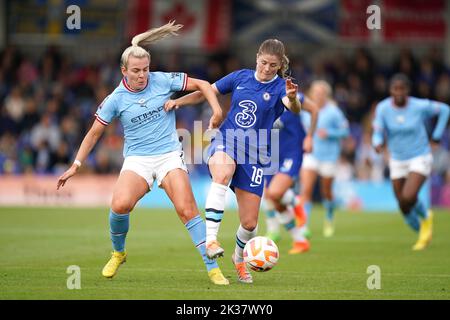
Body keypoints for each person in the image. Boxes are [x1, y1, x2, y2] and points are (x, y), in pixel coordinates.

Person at [56, 21, 230, 285]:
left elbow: (204, 84)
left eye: (146, 69)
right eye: (136, 71)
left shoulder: (162, 80)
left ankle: (213, 269)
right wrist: (76, 164)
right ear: (123, 70)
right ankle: (118, 253)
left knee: (187, 209)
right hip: (138, 160)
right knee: (119, 205)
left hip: (169, 155)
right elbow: (93, 133)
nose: (142, 75)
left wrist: (216, 110)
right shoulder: (115, 99)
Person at [165, 39, 302, 283]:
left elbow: (294, 108)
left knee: (250, 224)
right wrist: (178, 101)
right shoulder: (240, 77)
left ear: (280, 65)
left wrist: (293, 98)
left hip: (256, 153)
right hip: (227, 139)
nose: (267, 68)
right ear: (257, 57)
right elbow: (205, 93)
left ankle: (239, 259)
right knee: (222, 173)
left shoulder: (282, 87)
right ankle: (211, 240)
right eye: (263, 62)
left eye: (273, 65)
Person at [372, 73, 449, 250]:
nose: (398, 92)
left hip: (419, 156)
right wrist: (377, 142)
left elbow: (445, 110)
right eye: (395, 89)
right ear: (390, 90)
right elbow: (377, 129)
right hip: (397, 158)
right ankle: (422, 226)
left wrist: (436, 136)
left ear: (407, 90)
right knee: (402, 203)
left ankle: (426, 218)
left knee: (409, 196)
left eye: (402, 89)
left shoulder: (419, 105)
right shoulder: (383, 108)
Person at [263, 92, 318, 254]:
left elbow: (314, 109)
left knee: (274, 193)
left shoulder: (290, 95)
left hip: (291, 151)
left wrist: (309, 137)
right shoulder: (259, 96)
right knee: (273, 197)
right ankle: (300, 240)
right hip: (269, 153)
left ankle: (294, 201)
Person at [299, 80, 349, 238]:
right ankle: (303, 225)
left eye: (322, 93)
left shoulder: (334, 112)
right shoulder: (305, 110)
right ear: (311, 94)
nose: (318, 96)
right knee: (305, 189)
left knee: (326, 192)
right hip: (310, 155)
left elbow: (345, 131)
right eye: (316, 93)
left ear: (327, 95)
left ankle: (329, 217)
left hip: (329, 157)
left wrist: (330, 133)